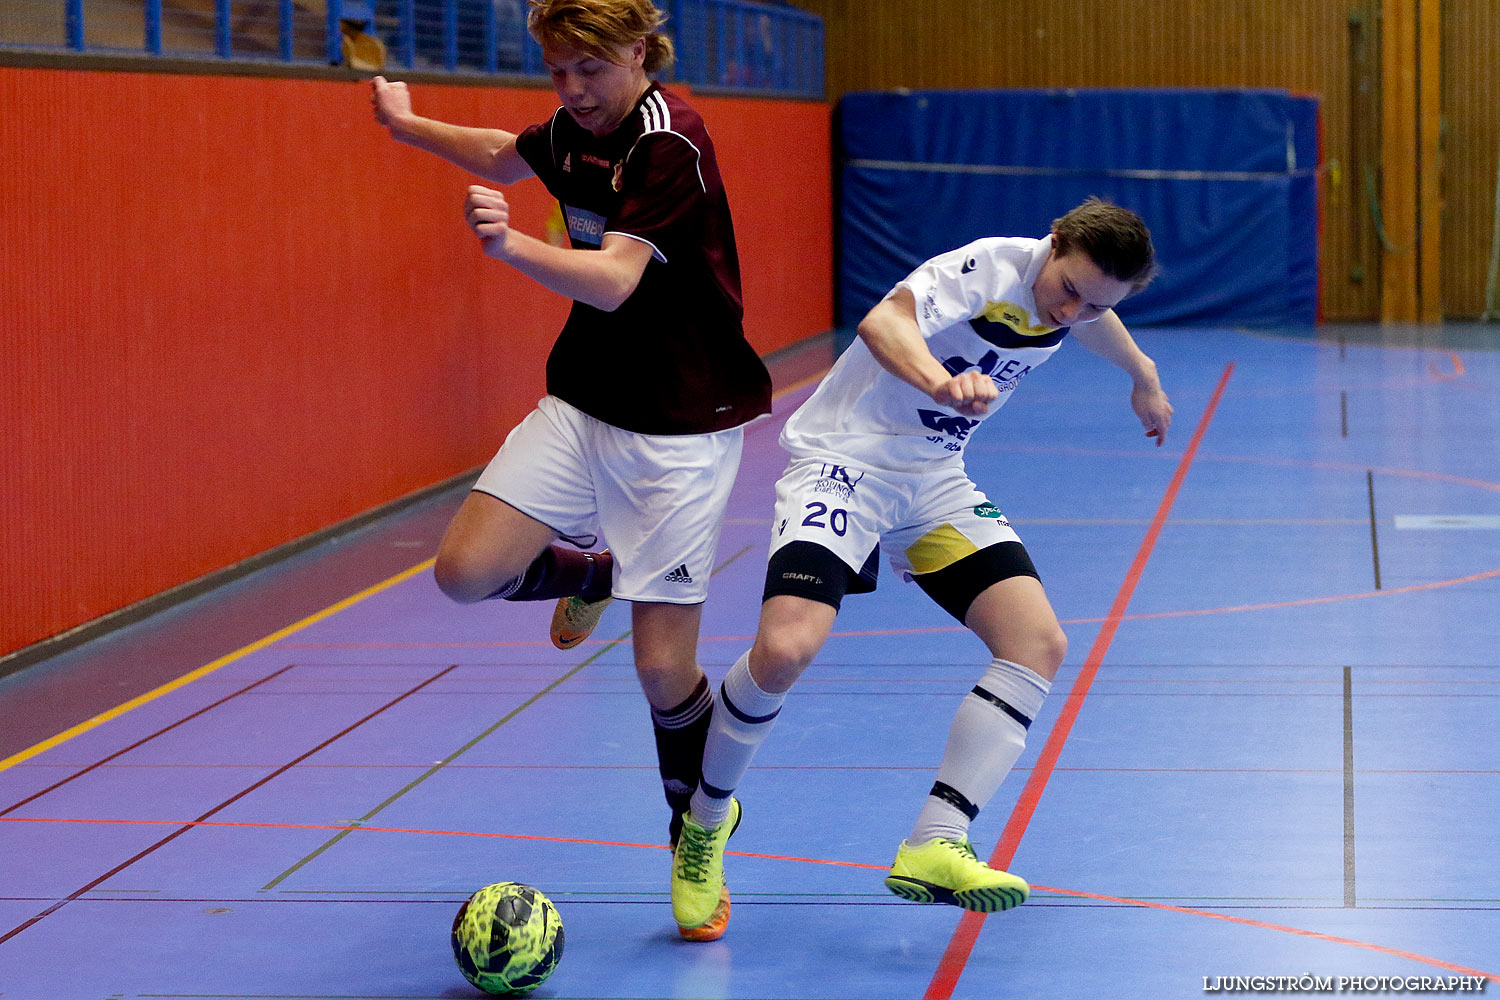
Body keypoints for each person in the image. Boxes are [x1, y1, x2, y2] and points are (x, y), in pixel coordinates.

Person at [368, 0, 771, 942]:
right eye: (555, 71)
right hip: (585, 402)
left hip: (679, 429)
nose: (571, 90)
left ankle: (696, 829)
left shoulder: (669, 143)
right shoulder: (575, 126)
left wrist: (510, 247)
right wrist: (406, 126)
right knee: (465, 573)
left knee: (663, 669)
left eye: (588, 69)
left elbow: (618, 280)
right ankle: (592, 571)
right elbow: (503, 152)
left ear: (638, 51)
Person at [668, 198, 1173, 931]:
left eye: (1095, 303)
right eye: (1069, 289)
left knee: (1037, 643)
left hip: (931, 480)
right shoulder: (988, 268)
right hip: (843, 463)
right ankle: (705, 822)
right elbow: (883, 323)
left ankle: (935, 841)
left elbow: (1096, 317)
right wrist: (940, 383)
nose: (1073, 311)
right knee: (784, 650)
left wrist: (1142, 373)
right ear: (1052, 242)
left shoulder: (1081, 301)